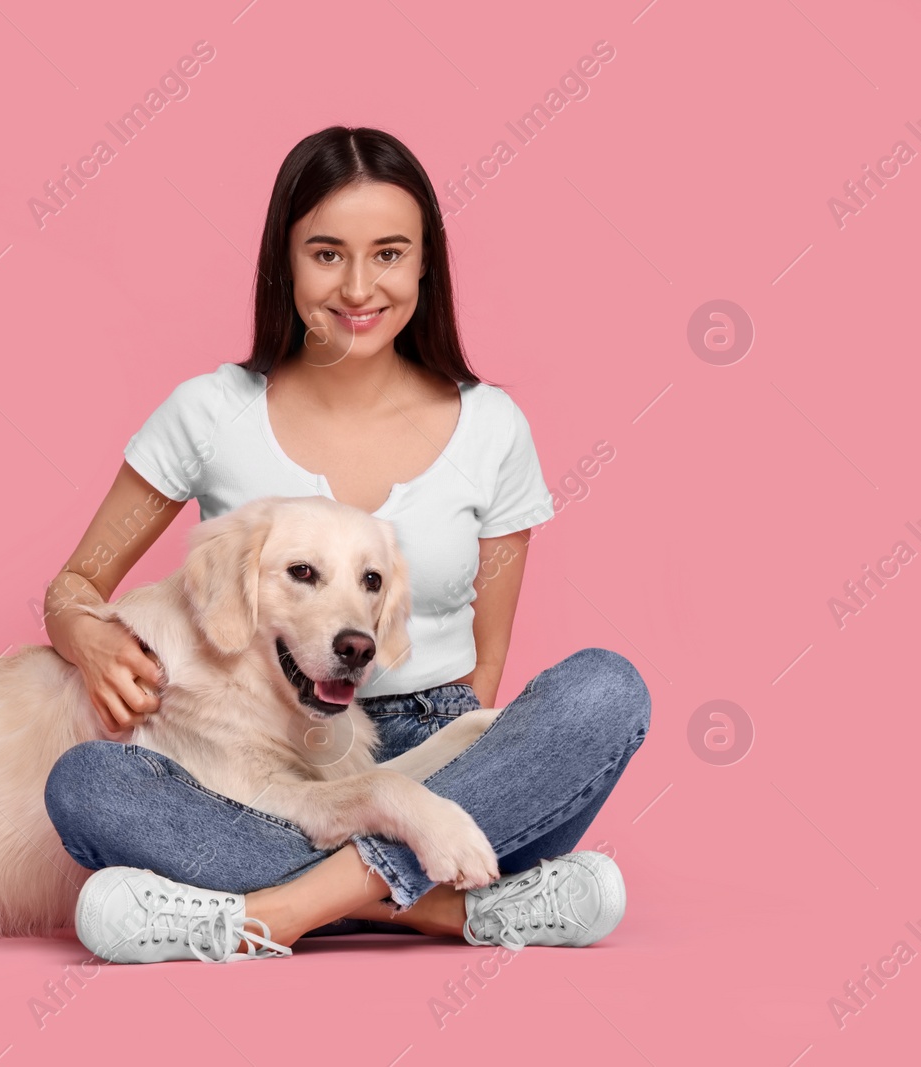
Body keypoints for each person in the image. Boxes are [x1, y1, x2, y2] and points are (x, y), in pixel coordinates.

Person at [39, 126, 651, 964]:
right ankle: (458, 913)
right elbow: (74, 584)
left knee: (605, 692)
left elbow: (486, 663)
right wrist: (84, 633)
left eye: (389, 254)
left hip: (433, 744)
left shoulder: (493, 428)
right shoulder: (211, 411)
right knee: (86, 783)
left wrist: (444, 790)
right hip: (257, 761)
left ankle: (273, 911)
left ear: (425, 264)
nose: (359, 286)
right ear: (284, 263)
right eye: (326, 254)